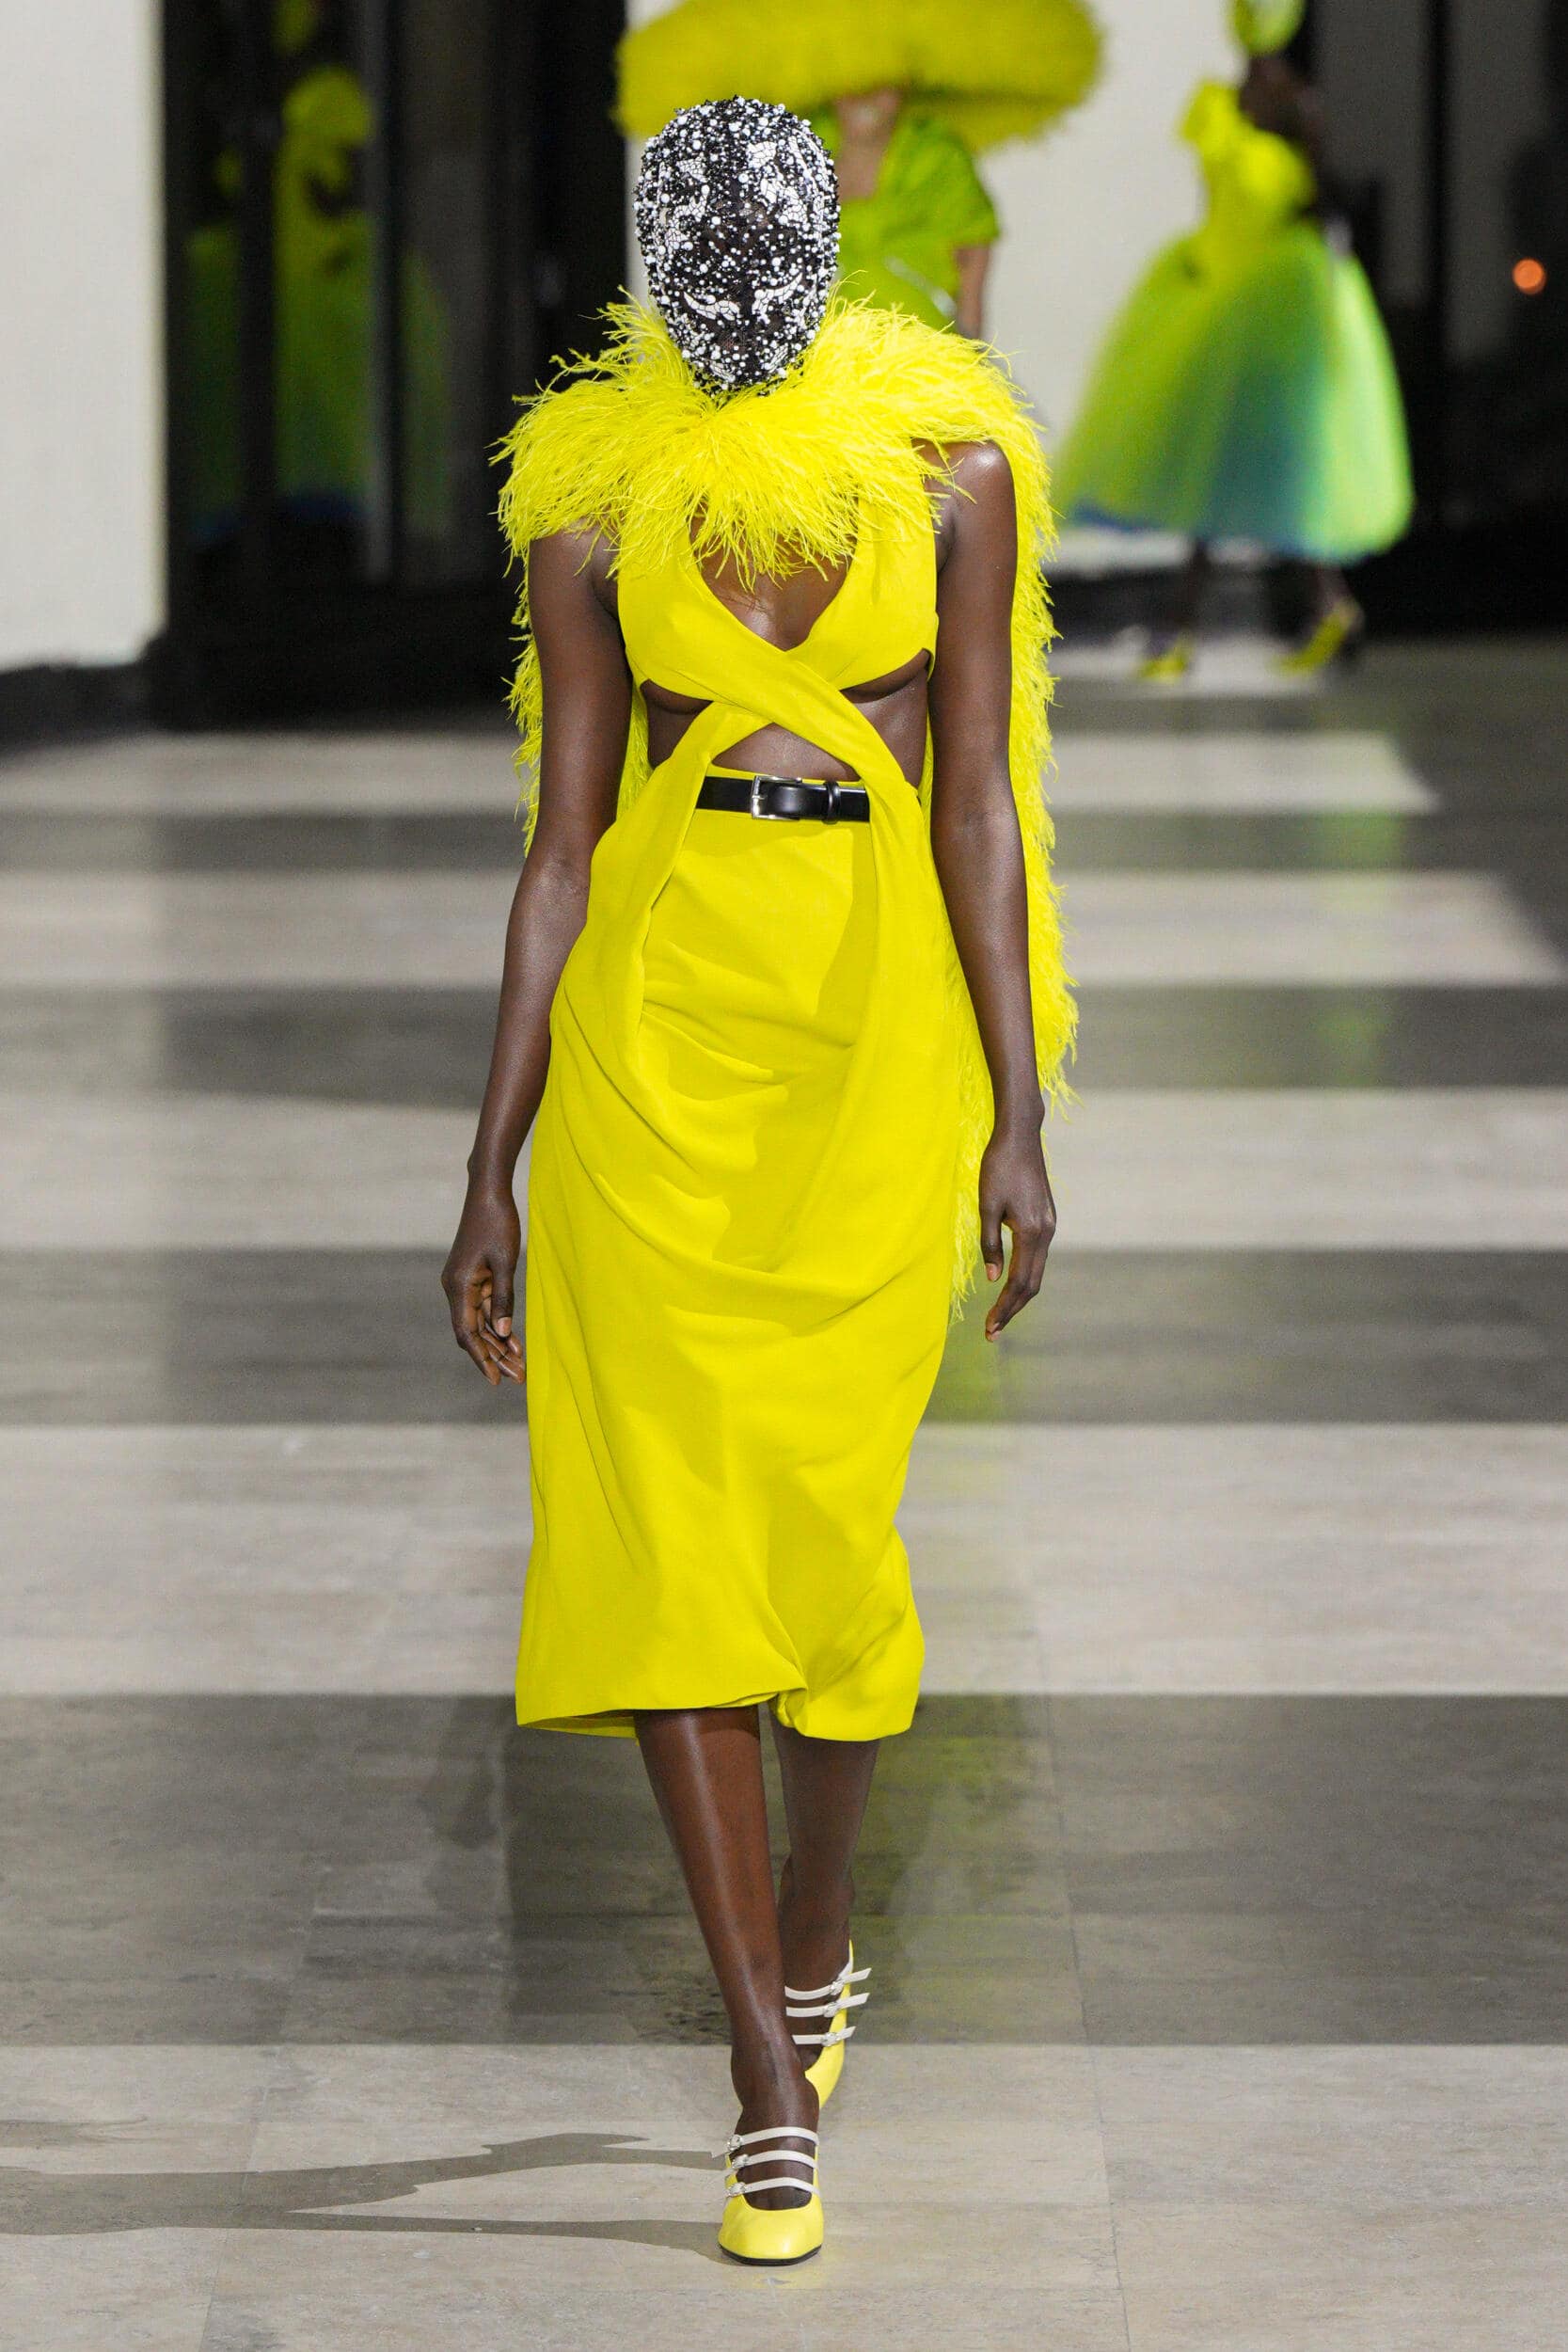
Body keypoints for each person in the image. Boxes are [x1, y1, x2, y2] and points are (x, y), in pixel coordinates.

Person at [440, 99, 1073, 2265]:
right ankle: (757, 2080)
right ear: (650, 272)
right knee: (663, 1548)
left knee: (825, 1534)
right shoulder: (591, 505)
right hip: (656, 1033)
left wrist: (1016, 1107)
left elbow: (975, 801)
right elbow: (562, 849)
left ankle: (816, 1930)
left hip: (868, 1040)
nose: (729, 286)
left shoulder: (950, 472)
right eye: (693, 257)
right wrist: (491, 1160)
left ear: (817, 258)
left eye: (761, 250)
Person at [1053, 0, 1413, 677]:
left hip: (1275, 314)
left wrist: (1316, 283)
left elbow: (1319, 203)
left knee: (1253, 471)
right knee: (1214, 470)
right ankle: (1258, 618)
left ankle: (1212, 625)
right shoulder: (1219, 104)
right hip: (1221, 299)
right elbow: (1215, 200)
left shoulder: (1295, 106)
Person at [615, 0, 1102, 337]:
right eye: (855, 79)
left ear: (907, 79)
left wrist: (972, 342)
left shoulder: (936, 155)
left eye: (882, 80)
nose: (867, 95)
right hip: (816, 353)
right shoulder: (797, 146)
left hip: (917, 346)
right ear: (830, 80)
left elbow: (973, 246)